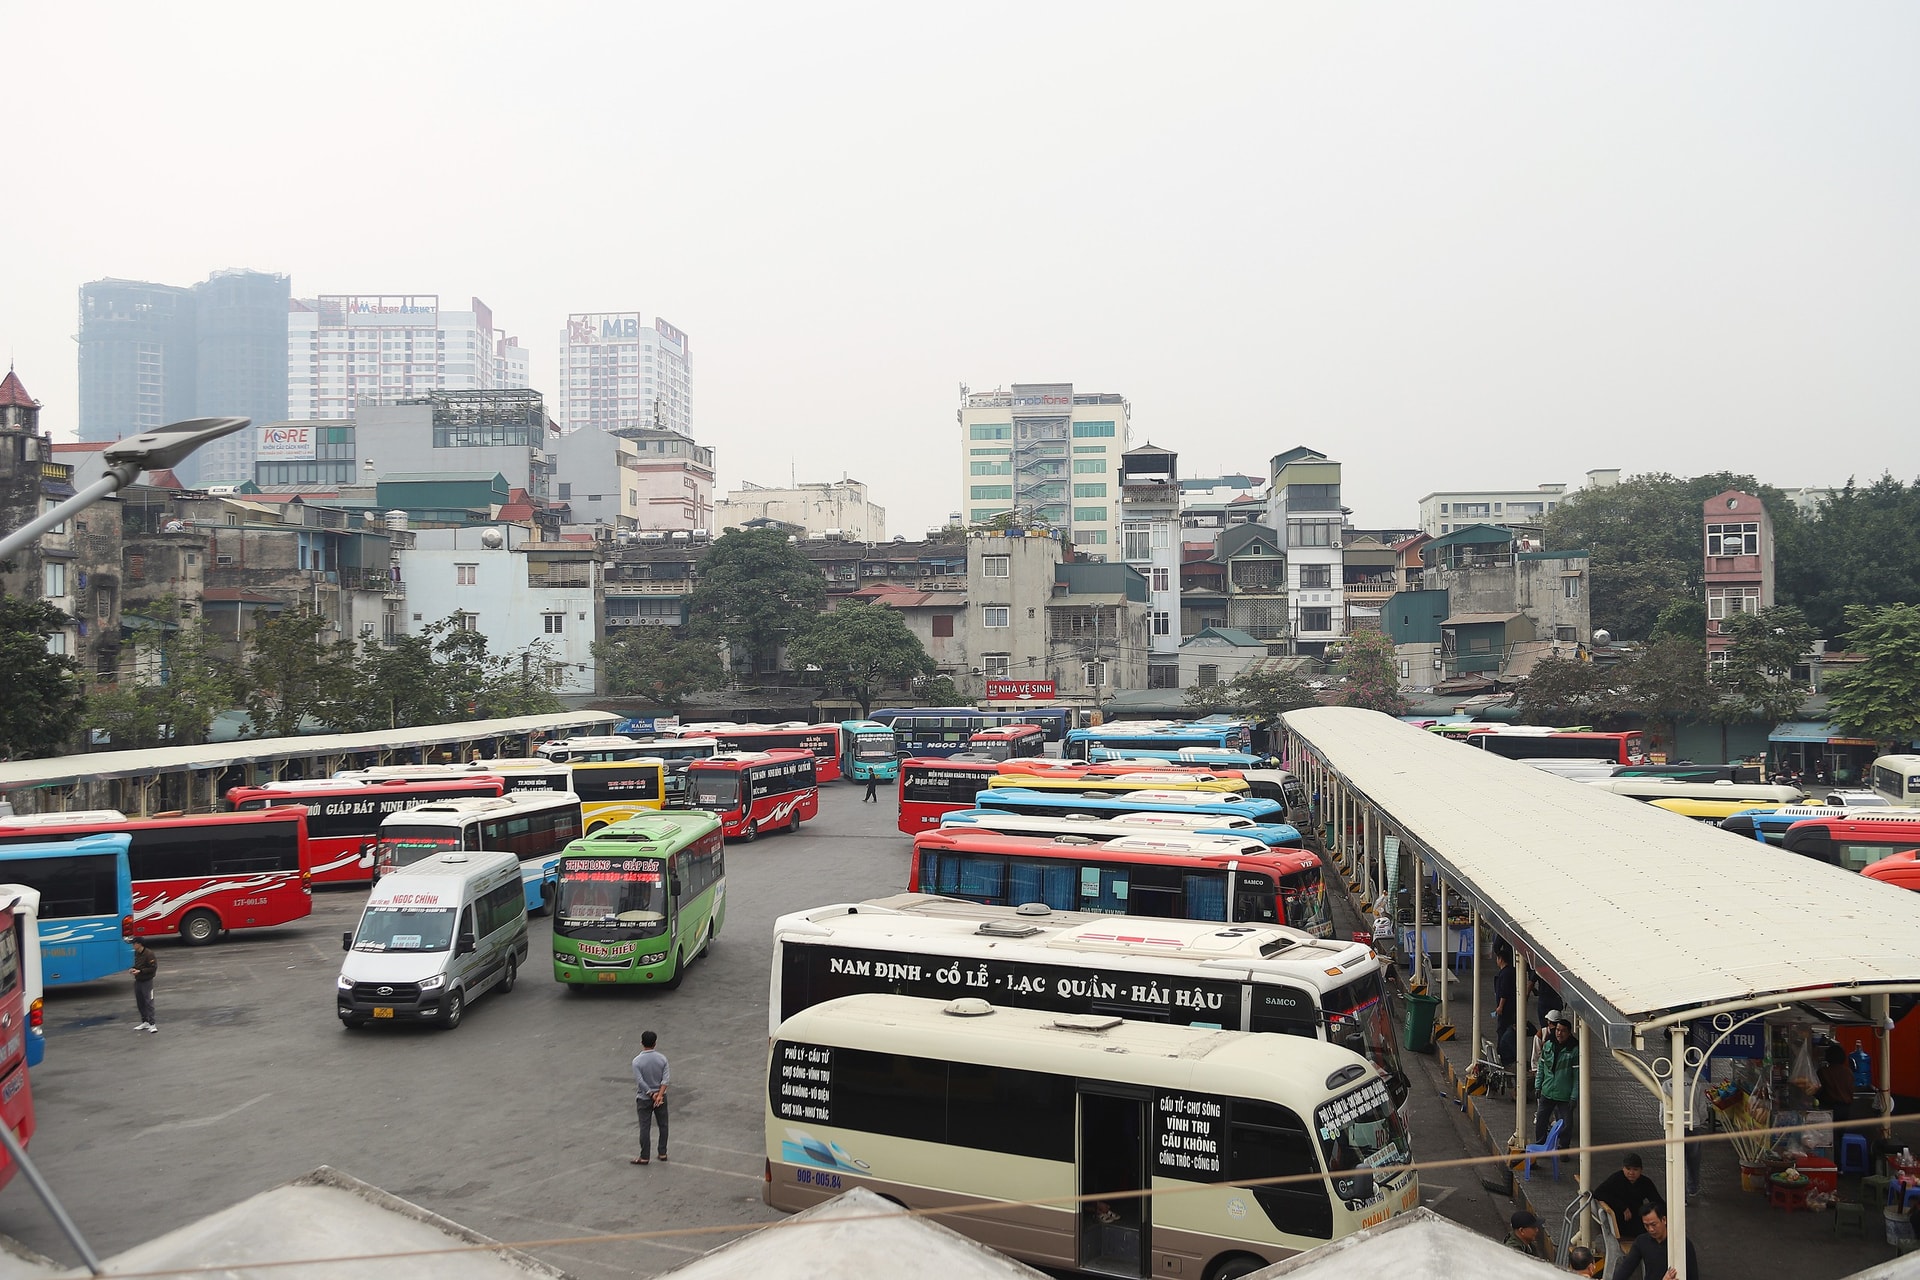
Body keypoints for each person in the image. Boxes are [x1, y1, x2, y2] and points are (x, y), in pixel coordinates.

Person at [1612, 1201, 1699, 1279]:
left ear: (1664, 1220)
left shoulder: (1682, 1244)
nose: (1650, 1229)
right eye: (1646, 1225)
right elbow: (1626, 1268)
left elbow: (1693, 1275)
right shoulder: (1641, 1241)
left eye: (1653, 1224)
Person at [1592, 1153, 1660, 1245]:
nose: (1631, 1173)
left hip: (1637, 1217)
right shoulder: (1616, 1179)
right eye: (1628, 1169)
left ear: (1641, 1170)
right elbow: (1598, 1193)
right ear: (1623, 1168)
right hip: (1620, 1222)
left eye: (1635, 1170)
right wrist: (1622, 1207)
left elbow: (1657, 1200)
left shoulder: (1645, 1182)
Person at [1534, 1013, 1578, 1146]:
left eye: (1563, 1031)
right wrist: (1538, 1086)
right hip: (1547, 1092)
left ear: (1569, 1033)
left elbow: (1577, 1076)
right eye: (1558, 1030)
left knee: (1566, 1124)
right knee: (1541, 1121)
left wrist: (1574, 1097)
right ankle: (1541, 1144)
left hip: (1564, 1095)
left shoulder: (1574, 1050)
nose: (1560, 1033)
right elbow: (1541, 1067)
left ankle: (1563, 1147)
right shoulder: (1548, 1045)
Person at [630, 1030, 670, 1165]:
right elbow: (665, 1080)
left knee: (645, 1127)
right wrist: (659, 1095)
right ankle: (662, 1152)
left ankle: (645, 1156)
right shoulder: (662, 1059)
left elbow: (640, 1081)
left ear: (642, 1043)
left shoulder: (636, 1061)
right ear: (655, 1043)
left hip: (644, 1098)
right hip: (661, 1098)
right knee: (663, 1125)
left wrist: (651, 1094)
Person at [1818, 1042, 1858, 1119]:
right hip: (1845, 1109)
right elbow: (1851, 1089)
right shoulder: (1848, 1072)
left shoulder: (1823, 1072)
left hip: (1829, 1108)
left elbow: (1817, 1090)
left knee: (1830, 1131)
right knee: (1840, 1130)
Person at [1493, 945, 1516, 1066]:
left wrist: (1500, 1006)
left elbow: (1504, 991)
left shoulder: (1505, 974)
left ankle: (1503, 1054)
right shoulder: (1510, 971)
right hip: (1510, 1007)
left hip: (1506, 1009)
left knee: (1502, 1030)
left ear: (1500, 959)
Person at [130, 937, 159, 1033]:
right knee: (140, 1002)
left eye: (134, 943)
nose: (133, 945)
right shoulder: (137, 953)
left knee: (148, 1002)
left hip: (147, 981)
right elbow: (137, 965)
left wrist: (140, 971)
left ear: (139, 944)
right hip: (138, 981)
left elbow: (153, 968)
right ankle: (145, 1021)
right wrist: (133, 969)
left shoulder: (149, 954)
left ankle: (152, 1024)